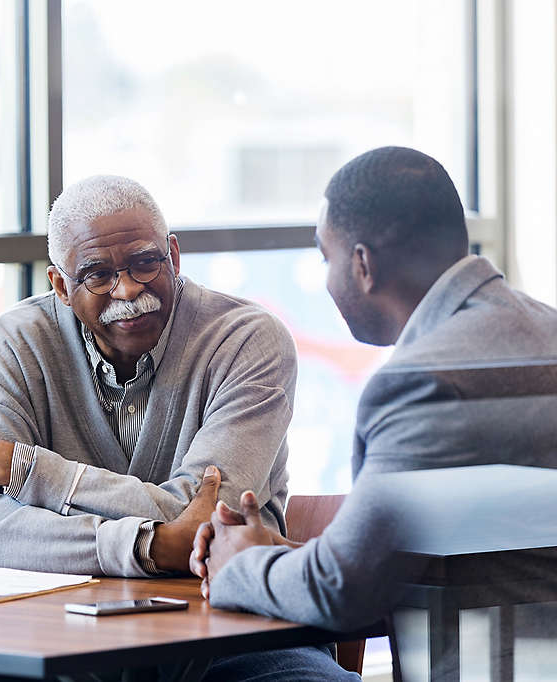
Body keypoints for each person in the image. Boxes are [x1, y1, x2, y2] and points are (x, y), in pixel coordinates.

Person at [0, 175, 358, 681]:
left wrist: (18, 467)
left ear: (174, 256)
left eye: (145, 263)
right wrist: (147, 547)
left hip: (234, 634)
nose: (128, 289)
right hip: (60, 639)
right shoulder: (16, 344)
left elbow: (203, 520)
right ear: (61, 286)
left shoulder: (246, 340)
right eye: (97, 274)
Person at [192, 146, 557, 635]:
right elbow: (479, 554)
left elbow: (345, 592)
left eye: (327, 257)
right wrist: (275, 555)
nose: (326, 279)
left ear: (362, 264)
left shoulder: (418, 383)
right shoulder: (544, 332)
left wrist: (237, 567)